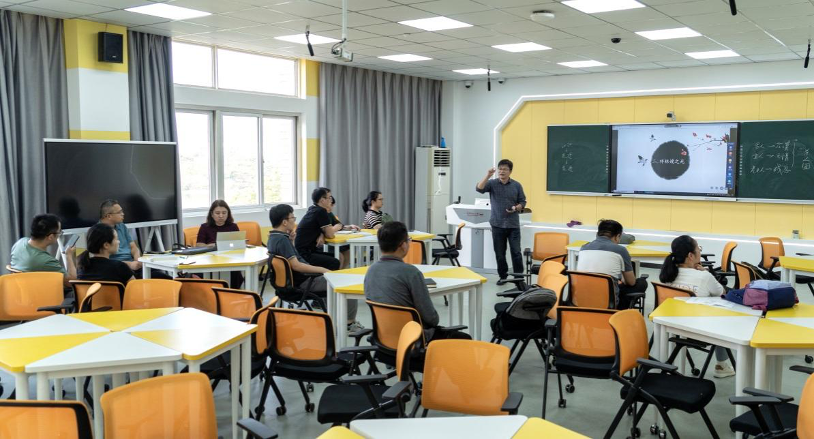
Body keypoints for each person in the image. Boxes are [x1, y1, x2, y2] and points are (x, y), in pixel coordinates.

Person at [364, 221, 470, 341]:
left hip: (384, 339)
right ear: (403, 245)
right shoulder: (411, 273)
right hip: (414, 339)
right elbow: (432, 319)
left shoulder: (370, 271)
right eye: (408, 240)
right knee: (464, 339)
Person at [267, 204, 361, 330]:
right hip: (303, 282)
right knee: (347, 282)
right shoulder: (282, 240)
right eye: (292, 218)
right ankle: (349, 322)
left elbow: (290, 260)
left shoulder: (273, 238)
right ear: (284, 222)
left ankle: (334, 316)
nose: (294, 221)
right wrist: (322, 270)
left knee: (331, 274)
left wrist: (291, 241)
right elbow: (296, 265)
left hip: (287, 284)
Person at [659, 235, 734, 378]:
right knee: (722, 314)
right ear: (690, 255)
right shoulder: (704, 276)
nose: (700, 251)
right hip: (699, 331)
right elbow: (722, 292)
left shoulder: (667, 275)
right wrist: (705, 272)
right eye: (698, 248)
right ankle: (722, 365)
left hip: (671, 326)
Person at [577, 219, 648, 310]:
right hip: (608, 303)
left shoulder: (583, 248)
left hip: (581, 300)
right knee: (641, 283)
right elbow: (631, 282)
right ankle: (619, 312)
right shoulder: (620, 250)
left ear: (598, 233)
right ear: (617, 236)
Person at [475, 159, 526, 284]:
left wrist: (517, 207)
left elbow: (523, 201)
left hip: (513, 225)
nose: (502, 171)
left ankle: (519, 278)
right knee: (499, 253)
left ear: (510, 171)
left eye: (505, 169)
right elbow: (479, 188)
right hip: (497, 224)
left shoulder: (516, 185)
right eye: (500, 169)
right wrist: (488, 175)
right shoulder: (492, 183)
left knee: (516, 252)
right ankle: (503, 276)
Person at [9, 214, 77, 287]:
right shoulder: (45, 261)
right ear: (50, 237)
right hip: (45, 292)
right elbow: (71, 282)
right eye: (59, 232)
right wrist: (68, 256)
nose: (60, 234)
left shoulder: (19, 243)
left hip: (22, 290)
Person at [195, 200, 243, 288]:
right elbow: (198, 245)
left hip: (230, 259)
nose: (221, 216)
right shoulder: (205, 227)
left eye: (224, 213)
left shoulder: (233, 226)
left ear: (228, 214)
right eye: (217, 213)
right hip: (210, 260)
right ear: (212, 214)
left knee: (235, 273)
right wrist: (208, 246)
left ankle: (233, 291)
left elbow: (238, 244)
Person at [295, 187, 346, 270]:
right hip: (305, 253)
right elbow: (330, 235)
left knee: (339, 256)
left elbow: (316, 228)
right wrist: (336, 227)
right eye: (329, 198)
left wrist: (321, 234)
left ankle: (335, 277)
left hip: (303, 250)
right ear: (322, 200)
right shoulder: (321, 211)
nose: (331, 200)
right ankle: (328, 278)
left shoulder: (313, 209)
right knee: (335, 261)